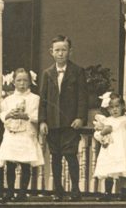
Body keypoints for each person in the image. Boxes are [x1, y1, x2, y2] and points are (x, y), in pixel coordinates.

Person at [39, 35, 88, 202]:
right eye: (57, 50)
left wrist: (80, 117)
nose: (60, 53)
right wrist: (43, 120)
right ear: (51, 52)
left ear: (70, 52)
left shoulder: (77, 71)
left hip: (70, 123)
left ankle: (75, 189)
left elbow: (82, 97)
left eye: (64, 50)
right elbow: (43, 99)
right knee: (56, 156)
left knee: (71, 155)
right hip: (53, 123)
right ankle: (58, 190)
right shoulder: (47, 73)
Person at [0, 68, 44, 202]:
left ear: (30, 82)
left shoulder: (35, 99)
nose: (22, 83)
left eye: (25, 80)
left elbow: (38, 115)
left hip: (26, 133)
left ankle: (22, 192)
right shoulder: (8, 99)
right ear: (13, 82)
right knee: (10, 163)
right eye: (19, 80)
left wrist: (26, 116)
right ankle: (10, 191)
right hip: (12, 134)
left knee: (25, 163)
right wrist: (9, 115)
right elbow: (2, 113)